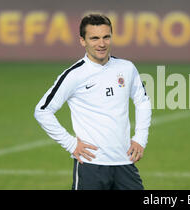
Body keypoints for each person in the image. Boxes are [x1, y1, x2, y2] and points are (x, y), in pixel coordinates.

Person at [34, 14, 151, 190]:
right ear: (83, 41)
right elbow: (42, 111)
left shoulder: (126, 68)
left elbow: (143, 101)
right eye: (94, 38)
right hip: (91, 166)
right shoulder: (74, 75)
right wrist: (71, 144)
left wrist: (140, 138)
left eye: (106, 37)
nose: (101, 44)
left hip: (124, 162)